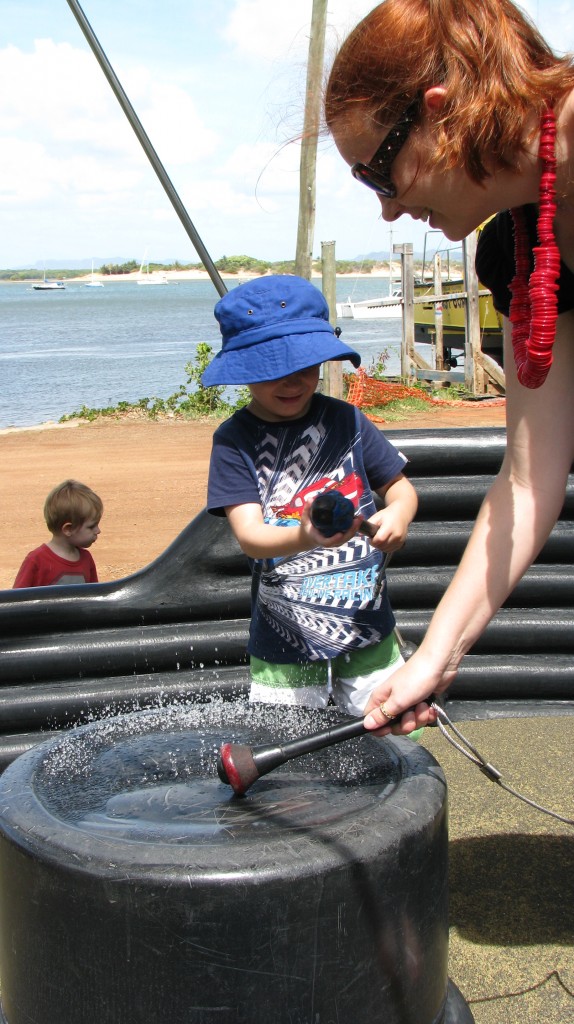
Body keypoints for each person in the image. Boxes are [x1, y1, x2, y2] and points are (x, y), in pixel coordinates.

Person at [323, 0, 574, 734]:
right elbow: (530, 480)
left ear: (441, 111)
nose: (389, 213)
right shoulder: (525, 245)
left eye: (378, 175)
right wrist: (434, 656)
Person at [204, 274, 418, 716]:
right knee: (291, 752)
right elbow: (250, 536)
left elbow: (399, 487)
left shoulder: (349, 421)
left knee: (392, 730)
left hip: (366, 622)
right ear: (244, 370)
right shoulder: (233, 440)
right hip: (285, 633)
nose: (293, 381)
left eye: (305, 365)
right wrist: (308, 536)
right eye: (273, 370)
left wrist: (399, 514)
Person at [13, 479, 102, 588]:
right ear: (68, 529)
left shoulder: (86, 559)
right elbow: (18, 600)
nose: (98, 531)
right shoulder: (37, 560)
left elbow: (93, 599)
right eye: (91, 526)